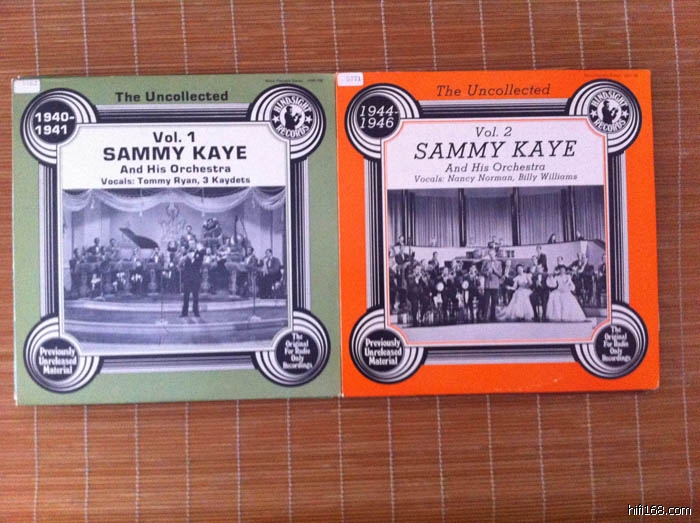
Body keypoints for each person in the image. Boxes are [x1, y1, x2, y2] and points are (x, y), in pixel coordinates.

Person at [180, 241, 205, 317]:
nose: (191, 245)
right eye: (190, 244)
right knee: (186, 296)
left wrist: (193, 257)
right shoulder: (186, 254)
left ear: (195, 245)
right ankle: (184, 313)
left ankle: (196, 312)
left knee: (195, 296)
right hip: (187, 278)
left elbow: (199, 263)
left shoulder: (199, 254)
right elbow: (181, 264)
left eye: (193, 244)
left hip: (195, 277)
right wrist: (184, 258)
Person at [480, 249, 502, 322]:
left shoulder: (499, 263)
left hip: (495, 285)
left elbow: (500, 274)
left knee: (494, 301)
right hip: (487, 285)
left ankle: (493, 316)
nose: (491, 255)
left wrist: (494, 270)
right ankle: (485, 316)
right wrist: (486, 272)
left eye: (492, 254)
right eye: (490, 254)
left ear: (495, 254)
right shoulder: (485, 262)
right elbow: (481, 272)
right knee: (486, 301)